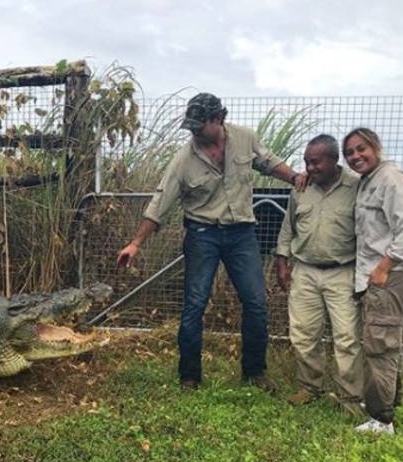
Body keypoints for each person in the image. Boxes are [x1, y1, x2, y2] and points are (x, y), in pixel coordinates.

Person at [116, 92, 306, 393]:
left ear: (218, 119)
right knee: (194, 305)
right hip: (203, 235)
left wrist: (295, 177)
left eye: (198, 126)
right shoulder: (184, 158)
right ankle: (189, 377)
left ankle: (255, 372)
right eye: (189, 126)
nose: (193, 132)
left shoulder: (245, 138)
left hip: (242, 233)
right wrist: (136, 243)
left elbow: (268, 163)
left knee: (256, 302)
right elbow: (160, 201)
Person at [275, 134, 363, 414]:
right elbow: (288, 228)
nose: (309, 168)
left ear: (334, 159)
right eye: (306, 162)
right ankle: (309, 387)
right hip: (305, 271)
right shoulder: (300, 187)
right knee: (303, 333)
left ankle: (350, 398)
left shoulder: (357, 186)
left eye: (315, 162)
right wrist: (281, 261)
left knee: (347, 337)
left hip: (343, 272)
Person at [342, 127, 403, 435]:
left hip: (389, 276)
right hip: (377, 275)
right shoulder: (370, 180)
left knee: (379, 344)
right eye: (350, 153)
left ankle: (381, 420)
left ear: (376, 146)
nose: (356, 156)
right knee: (386, 342)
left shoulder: (390, 178)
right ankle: (389, 408)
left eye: (361, 149)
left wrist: (385, 265)